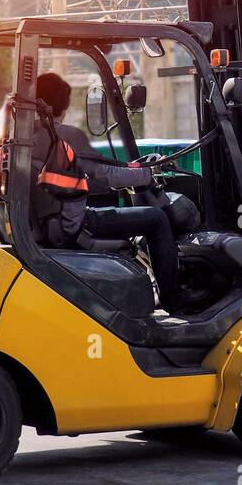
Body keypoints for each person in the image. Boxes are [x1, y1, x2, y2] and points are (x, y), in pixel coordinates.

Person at [31, 72, 179, 313]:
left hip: (52, 222)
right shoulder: (63, 136)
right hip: (74, 225)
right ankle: (174, 301)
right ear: (62, 107)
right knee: (156, 219)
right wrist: (149, 173)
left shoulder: (19, 138)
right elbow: (107, 174)